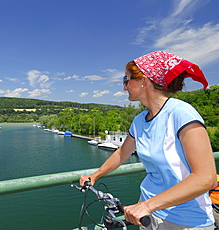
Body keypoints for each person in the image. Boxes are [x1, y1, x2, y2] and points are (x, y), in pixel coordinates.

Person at [80, 51, 217, 229]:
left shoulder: (182, 114)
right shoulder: (139, 120)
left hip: (184, 218)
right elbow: (122, 153)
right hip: (148, 213)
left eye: (126, 80)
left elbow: (206, 179)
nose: (124, 87)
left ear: (144, 81)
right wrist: (95, 175)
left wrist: (147, 206)